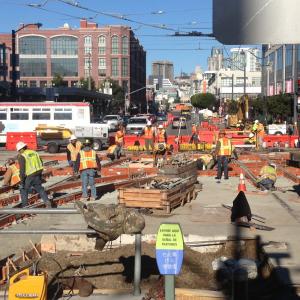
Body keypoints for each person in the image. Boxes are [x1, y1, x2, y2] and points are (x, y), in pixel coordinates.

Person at [16, 142, 52, 208]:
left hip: (30, 175)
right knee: (39, 188)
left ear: (21, 149)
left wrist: (22, 181)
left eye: (19, 151)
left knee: (23, 189)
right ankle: (47, 202)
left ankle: (25, 206)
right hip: (38, 173)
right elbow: (40, 162)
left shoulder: (22, 156)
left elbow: (22, 171)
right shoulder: (34, 152)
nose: (19, 152)